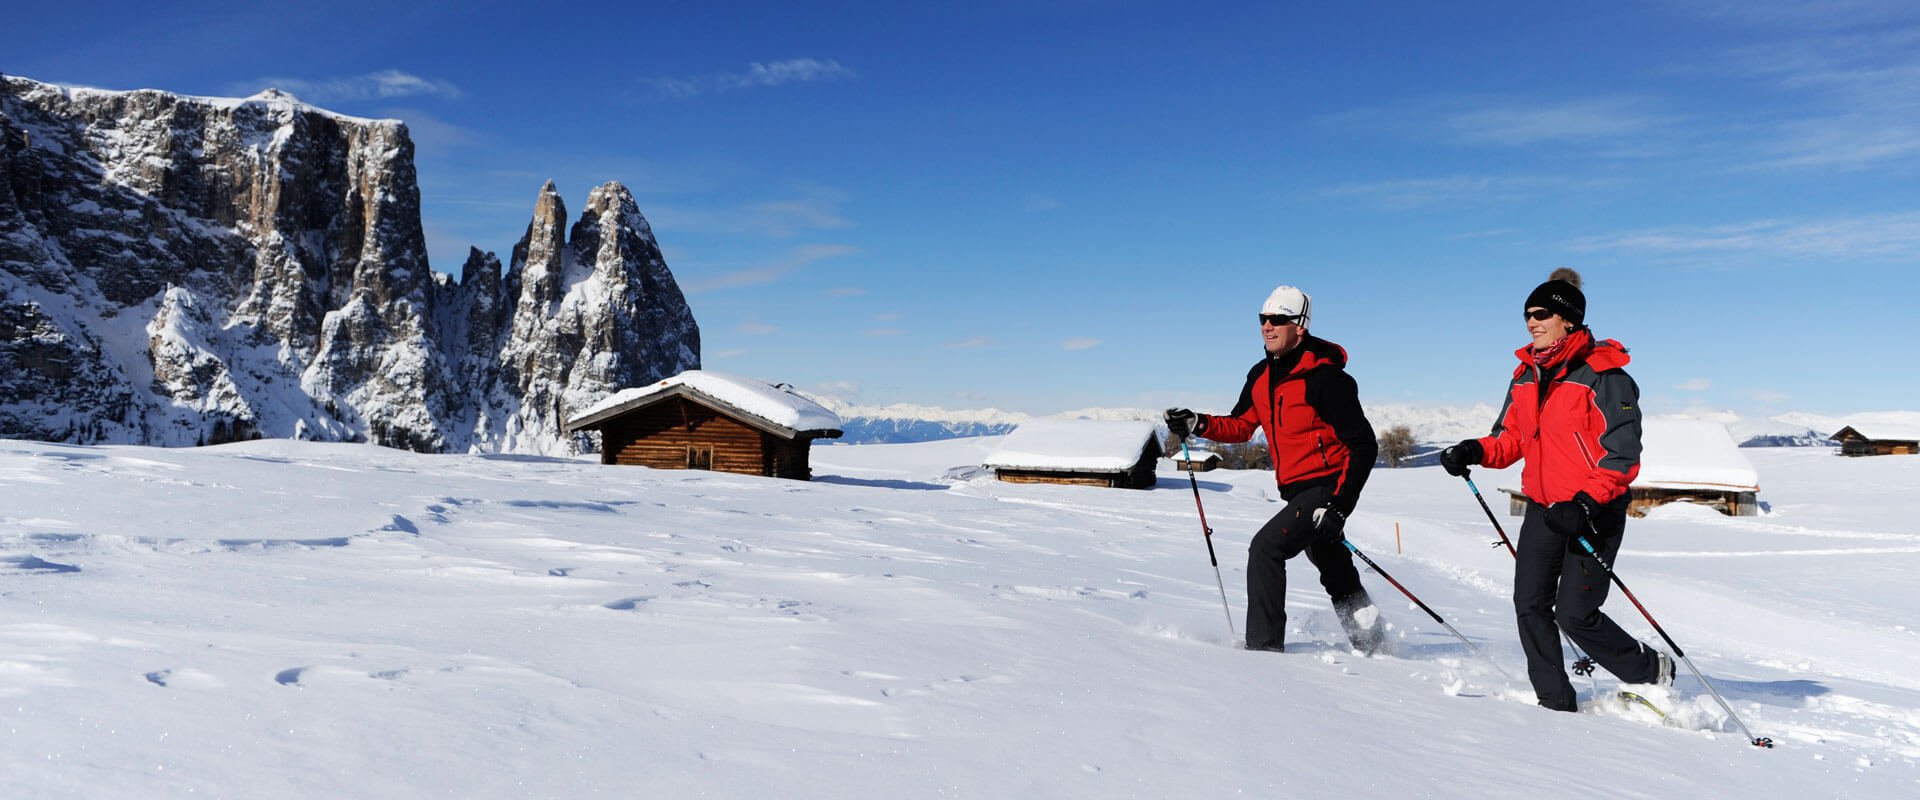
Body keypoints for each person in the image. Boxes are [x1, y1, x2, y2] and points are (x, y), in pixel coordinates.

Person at [1438, 268, 1673, 711]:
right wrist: (1473, 449)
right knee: (1529, 604)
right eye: (1527, 314)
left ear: (1569, 318)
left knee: (1575, 615)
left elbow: (1620, 455)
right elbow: (1511, 440)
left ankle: (1649, 671)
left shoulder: (1605, 376)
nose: (1531, 322)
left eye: (1541, 313)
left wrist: (1585, 501)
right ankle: (1554, 701)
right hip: (1544, 510)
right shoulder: (1526, 375)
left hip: (1592, 511)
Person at [1165, 285, 1384, 655]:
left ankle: (1264, 651)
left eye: (1278, 319)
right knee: (1335, 570)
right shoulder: (1261, 376)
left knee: (1266, 549)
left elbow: (1364, 446)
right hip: (1296, 491)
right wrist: (1197, 423)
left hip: (1327, 486)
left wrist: (1339, 506)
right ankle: (1376, 645)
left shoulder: (1326, 379)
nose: (1268, 326)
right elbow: (1241, 426)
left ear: (1300, 326)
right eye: (1263, 319)